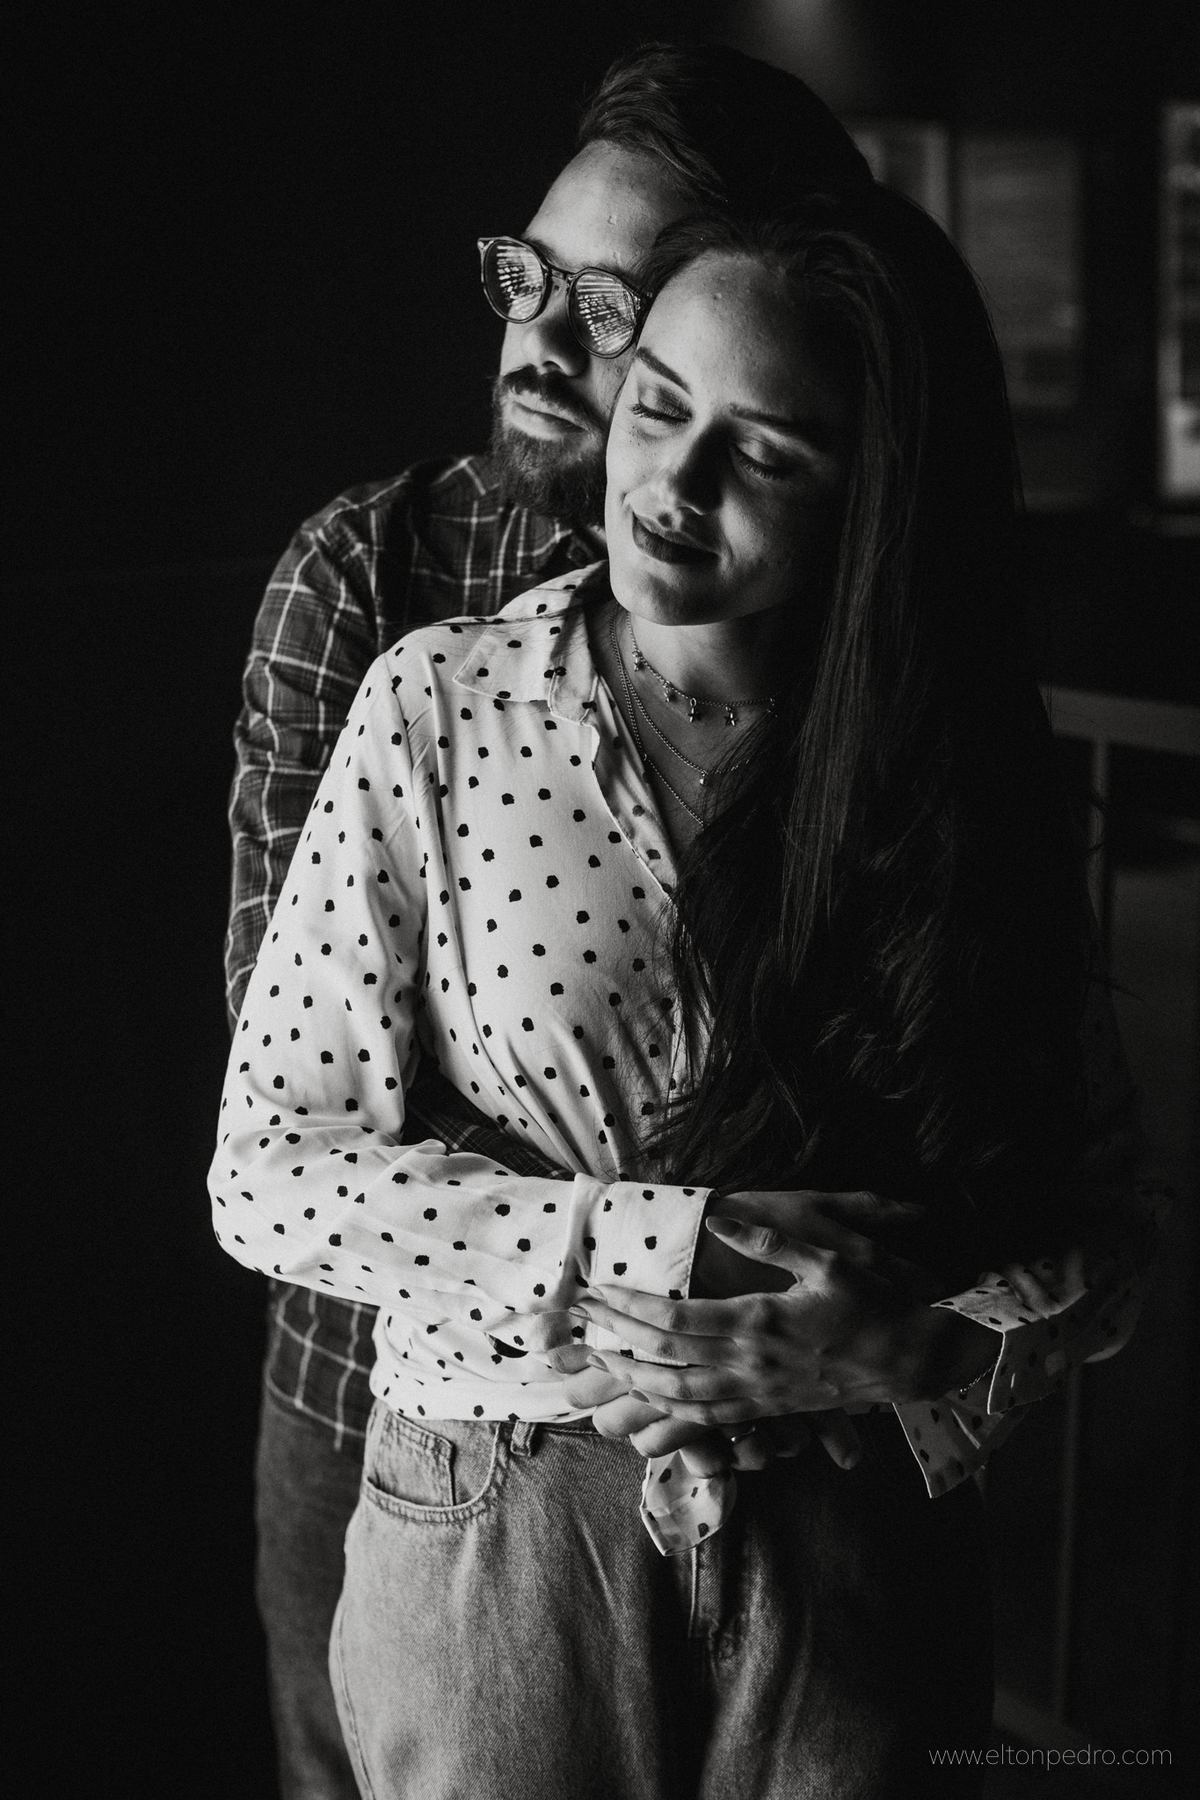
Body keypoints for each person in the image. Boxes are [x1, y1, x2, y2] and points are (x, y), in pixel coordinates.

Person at [211, 181, 1159, 1796]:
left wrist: (915, 1349)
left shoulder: (955, 779)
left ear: (871, 494)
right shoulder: (441, 703)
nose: (676, 481)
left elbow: (1105, 1227)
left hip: (854, 1526)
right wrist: (670, 1246)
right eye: (657, 405)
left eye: (765, 453)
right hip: (502, 1516)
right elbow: (269, 1177)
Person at [226, 42, 875, 1798]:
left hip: (777, 1452)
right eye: (527, 278)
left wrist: (896, 1312)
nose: (538, 341)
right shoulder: (377, 588)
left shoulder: (851, 667)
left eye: (609, 307)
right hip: (382, 1387)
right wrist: (700, 1251)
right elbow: (307, 1090)